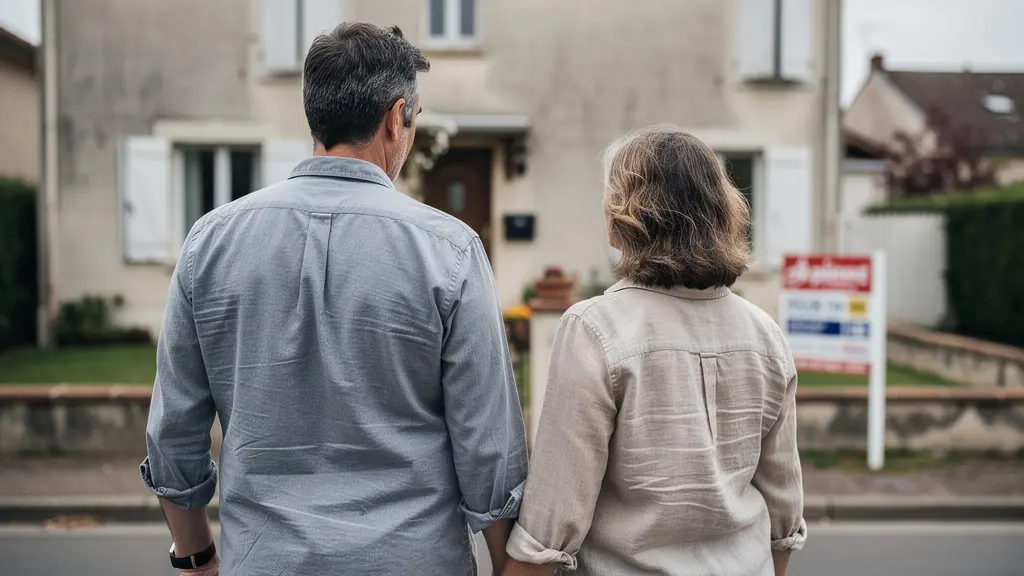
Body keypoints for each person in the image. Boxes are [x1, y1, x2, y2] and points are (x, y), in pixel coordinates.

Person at [142, 22, 528, 576]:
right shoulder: (450, 251)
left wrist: (196, 556)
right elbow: (488, 450)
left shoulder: (211, 241)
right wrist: (506, 565)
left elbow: (173, 432)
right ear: (397, 118)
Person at [502, 126, 807, 576]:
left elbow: (551, 522)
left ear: (624, 214)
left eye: (610, 193)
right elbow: (784, 519)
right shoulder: (765, 335)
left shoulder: (595, 328)